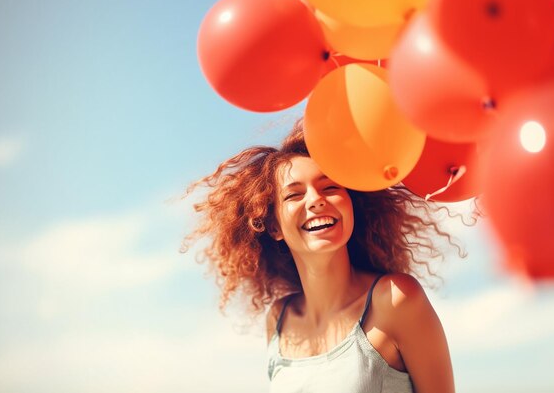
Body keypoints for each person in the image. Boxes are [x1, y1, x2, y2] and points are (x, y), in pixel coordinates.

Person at [182, 120, 456, 393]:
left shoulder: (396, 299)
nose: (315, 200)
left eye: (330, 188)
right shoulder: (279, 318)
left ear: (351, 203)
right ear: (274, 227)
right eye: (294, 195)